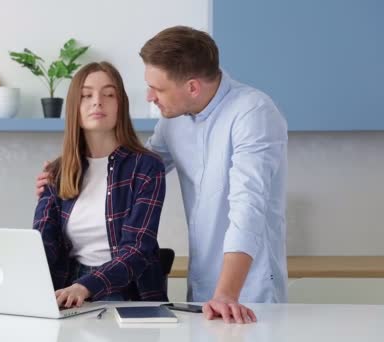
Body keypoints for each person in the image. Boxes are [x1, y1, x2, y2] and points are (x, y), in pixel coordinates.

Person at [37, 26, 288, 324]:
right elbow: (134, 166)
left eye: (158, 88)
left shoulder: (252, 112)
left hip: (245, 288)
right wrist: (67, 173)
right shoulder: (174, 121)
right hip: (204, 286)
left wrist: (226, 293)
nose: (150, 96)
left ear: (192, 87)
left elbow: (248, 208)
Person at [33, 61, 168, 309]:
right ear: (75, 106)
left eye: (108, 94)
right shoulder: (57, 171)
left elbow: (138, 248)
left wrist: (87, 285)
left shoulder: (147, 167)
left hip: (127, 290)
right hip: (67, 287)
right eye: (86, 95)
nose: (97, 101)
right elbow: (44, 243)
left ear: (121, 105)